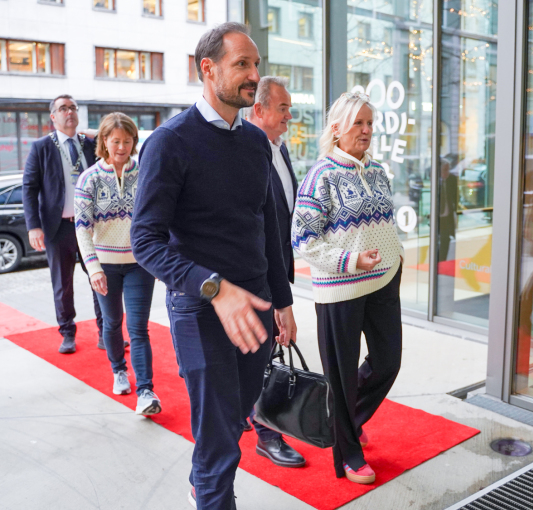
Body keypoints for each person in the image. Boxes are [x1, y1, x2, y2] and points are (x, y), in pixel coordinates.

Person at [130, 22, 297, 510]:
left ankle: (203, 479)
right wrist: (213, 288)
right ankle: (212, 495)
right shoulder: (169, 142)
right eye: (242, 64)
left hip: (257, 308)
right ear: (208, 69)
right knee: (221, 434)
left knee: (231, 422)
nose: (253, 75)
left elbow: (264, 224)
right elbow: (146, 241)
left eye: (255, 65)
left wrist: (282, 302)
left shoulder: (252, 142)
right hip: (200, 310)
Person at [291, 92, 404, 484]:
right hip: (340, 289)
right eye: (359, 123)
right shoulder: (320, 175)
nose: (367, 131)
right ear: (336, 129)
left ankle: (343, 421)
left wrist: (396, 255)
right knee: (339, 375)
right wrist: (351, 261)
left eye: (370, 124)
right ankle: (349, 453)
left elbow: (383, 224)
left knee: (388, 362)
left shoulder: (376, 171)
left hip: (384, 281)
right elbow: (302, 239)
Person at [74, 112, 161, 415]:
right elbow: (82, 228)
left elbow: (157, 217)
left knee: (138, 328)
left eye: (127, 141)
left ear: (134, 142)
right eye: (116, 141)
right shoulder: (89, 179)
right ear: (104, 142)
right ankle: (118, 369)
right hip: (105, 266)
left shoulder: (146, 173)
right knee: (112, 323)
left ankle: (147, 391)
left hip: (140, 264)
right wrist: (93, 268)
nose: (122, 147)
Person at [244, 76, 305, 468]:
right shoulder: (247, 152)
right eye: (282, 108)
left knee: (264, 354)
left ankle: (252, 415)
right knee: (261, 358)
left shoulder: (278, 150)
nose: (289, 115)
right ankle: (267, 433)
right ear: (259, 110)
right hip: (254, 275)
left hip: (277, 270)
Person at [22, 95, 103, 354]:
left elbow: (114, 140)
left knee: (100, 278)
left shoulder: (90, 144)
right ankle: (67, 333)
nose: (69, 112)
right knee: (62, 283)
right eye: (62, 109)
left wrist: (94, 133)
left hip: (91, 227)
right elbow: (29, 187)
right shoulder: (41, 147)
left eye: (72, 108)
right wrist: (34, 226)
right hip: (59, 228)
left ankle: (107, 332)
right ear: (53, 117)